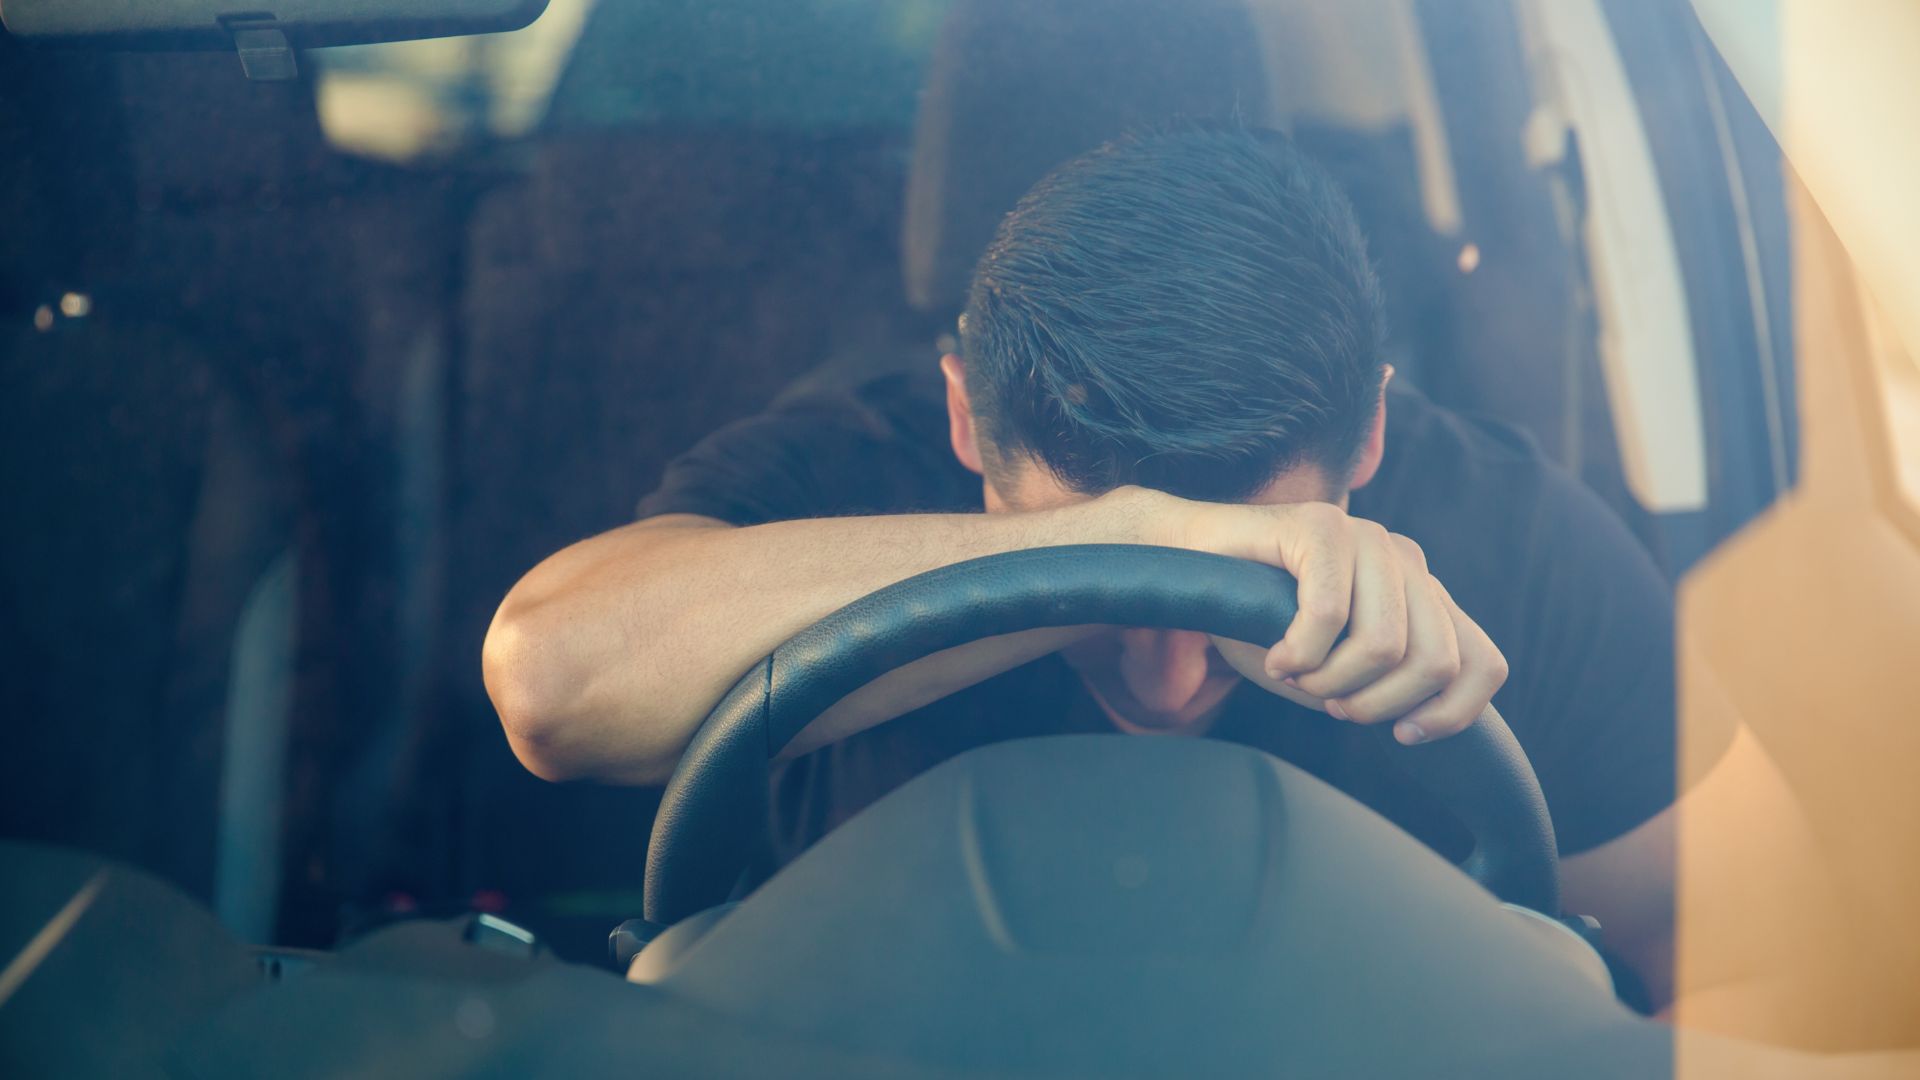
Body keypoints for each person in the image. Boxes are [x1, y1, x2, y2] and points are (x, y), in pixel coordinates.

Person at [484, 126, 1748, 1007]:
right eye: (1121, 597)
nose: (1166, 675)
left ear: (1369, 429)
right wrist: (1141, 545)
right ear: (967, 419)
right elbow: (550, 681)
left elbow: (1734, 954)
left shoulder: (1513, 535)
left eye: (1247, 557)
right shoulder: (842, 471)